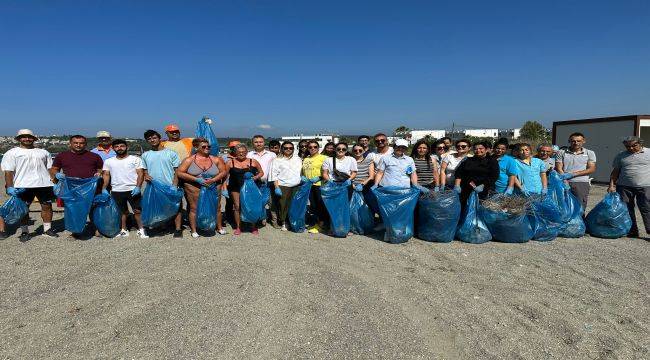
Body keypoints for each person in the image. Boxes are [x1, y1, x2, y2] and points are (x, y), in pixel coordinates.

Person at [0, 129, 58, 241]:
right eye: (23, 137)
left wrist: (55, 182)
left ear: (34, 138)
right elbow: (8, 171)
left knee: (47, 206)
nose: (27, 139)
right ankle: (25, 231)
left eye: (29, 137)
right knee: (23, 209)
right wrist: (10, 186)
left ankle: (47, 229)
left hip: (44, 184)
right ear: (19, 139)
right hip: (22, 185)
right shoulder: (12, 153)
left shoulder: (43, 152)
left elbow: (50, 168)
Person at [50, 135, 104, 238]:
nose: (78, 145)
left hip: (90, 187)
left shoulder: (94, 156)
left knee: (94, 209)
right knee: (73, 210)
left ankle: (96, 229)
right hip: (71, 188)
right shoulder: (62, 156)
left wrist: (99, 174)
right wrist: (56, 175)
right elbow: (54, 169)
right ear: (70, 143)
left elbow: (100, 169)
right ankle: (76, 231)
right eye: (75, 143)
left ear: (85, 144)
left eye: (81, 143)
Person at [176, 138, 227, 237]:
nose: (207, 148)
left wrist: (213, 179)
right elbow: (180, 173)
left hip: (213, 187)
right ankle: (194, 230)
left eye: (208, 146)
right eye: (204, 146)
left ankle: (219, 227)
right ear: (196, 147)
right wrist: (196, 179)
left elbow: (223, 172)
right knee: (194, 209)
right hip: (194, 188)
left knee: (217, 208)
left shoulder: (216, 159)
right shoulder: (189, 160)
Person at [101, 139, 148, 238]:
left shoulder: (135, 159)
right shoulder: (108, 161)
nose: (119, 148)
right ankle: (123, 229)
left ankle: (141, 229)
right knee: (122, 212)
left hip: (132, 189)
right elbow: (106, 175)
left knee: (137, 211)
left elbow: (140, 173)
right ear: (113, 149)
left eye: (122, 146)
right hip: (117, 190)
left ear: (127, 147)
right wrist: (104, 188)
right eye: (117, 146)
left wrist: (138, 187)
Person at [140, 130, 183, 237]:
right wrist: (146, 175)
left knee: (176, 206)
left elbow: (177, 171)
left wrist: (174, 185)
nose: (152, 140)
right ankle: (162, 226)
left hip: (169, 185)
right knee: (158, 207)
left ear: (159, 138)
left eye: (154, 137)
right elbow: (145, 170)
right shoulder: (146, 155)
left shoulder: (171, 153)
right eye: (149, 139)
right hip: (154, 187)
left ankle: (178, 229)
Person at [608, 136, 650, 238]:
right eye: (627, 146)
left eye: (634, 145)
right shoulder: (621, 155)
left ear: (640, 143)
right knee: (626, 209)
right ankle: (632, 231)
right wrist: (612, 185)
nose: (630, 148)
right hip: (624, 187)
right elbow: (615, 172)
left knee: (647, 209)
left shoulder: (648, 152)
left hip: (645, 186)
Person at [226, 144, 264, 235]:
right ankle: (239, 227)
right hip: (235, 187)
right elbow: (225, 176)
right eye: (239, 152)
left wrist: (255, 177)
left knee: (251, 206)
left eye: (243, 152)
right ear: (235, 153)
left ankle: (253, 226)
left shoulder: (253, 161)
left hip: (251, 188)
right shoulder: (230, 162)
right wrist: (224, 188)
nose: (241, 153)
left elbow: (261, 173)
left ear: (247, 152)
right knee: (237, 207)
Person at [555, 132, 596, 211]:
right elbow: (559, 167)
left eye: (578, 141)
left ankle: (580, 222)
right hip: (564, 182)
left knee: (580, 206)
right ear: (569, 141)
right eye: (573, 141)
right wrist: (564, 179)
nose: (576, 143)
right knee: (563, 205)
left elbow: (591, 169)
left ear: (583, 141)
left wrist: (573, 174)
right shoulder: (561, 152)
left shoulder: (589, 153)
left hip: (581, 183)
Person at [454, 141, 500, 208]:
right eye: (475, 149)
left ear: (486, 149)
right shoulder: (468, 160)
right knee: (466, 209)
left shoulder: (492, 161)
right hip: (467, 190)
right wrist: (457, 185)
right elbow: (459, 173)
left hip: (485, 190)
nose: (478, 150)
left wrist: (483, 185)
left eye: (481, 148)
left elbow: (494, 176)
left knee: (482, 209)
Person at [268, 141, 303, 231]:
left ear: (293, 149)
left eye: (290, 148)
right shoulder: (277, 160)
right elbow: (273, 174)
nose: (288, 149)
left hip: (296, 185)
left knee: (294, 205)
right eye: (286, 148)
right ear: (282, 149)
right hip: (283, 186)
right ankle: (284, 222)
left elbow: (301, 171)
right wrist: (276, 187)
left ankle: (293, 221)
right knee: (283, 205)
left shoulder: (298, 159)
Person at [247, 135, 277, 226]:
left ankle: (271, 220)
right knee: (256, 201)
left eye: (260, 142)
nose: (258, 144)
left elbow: (276, 168)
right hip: (255, 182)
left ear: (264, 143)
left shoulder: (272, 154)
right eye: (256, 142)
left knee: (269, 202)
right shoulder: (249, 155)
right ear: (253, 143)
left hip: (269, 182)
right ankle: (259, 218)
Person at [302, 140, 329, 234]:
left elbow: (329, 171)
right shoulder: (306, 159)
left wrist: (320, 177)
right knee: (314, 206)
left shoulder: (324, 158)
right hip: (309, 185)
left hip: (320, 185)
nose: (312, 148)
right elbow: (303, 172)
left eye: (315, 147)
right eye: (310, 147)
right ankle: (318, 222)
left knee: (321, 205)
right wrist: (303, 177)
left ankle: (322, 224)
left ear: (318, 148)